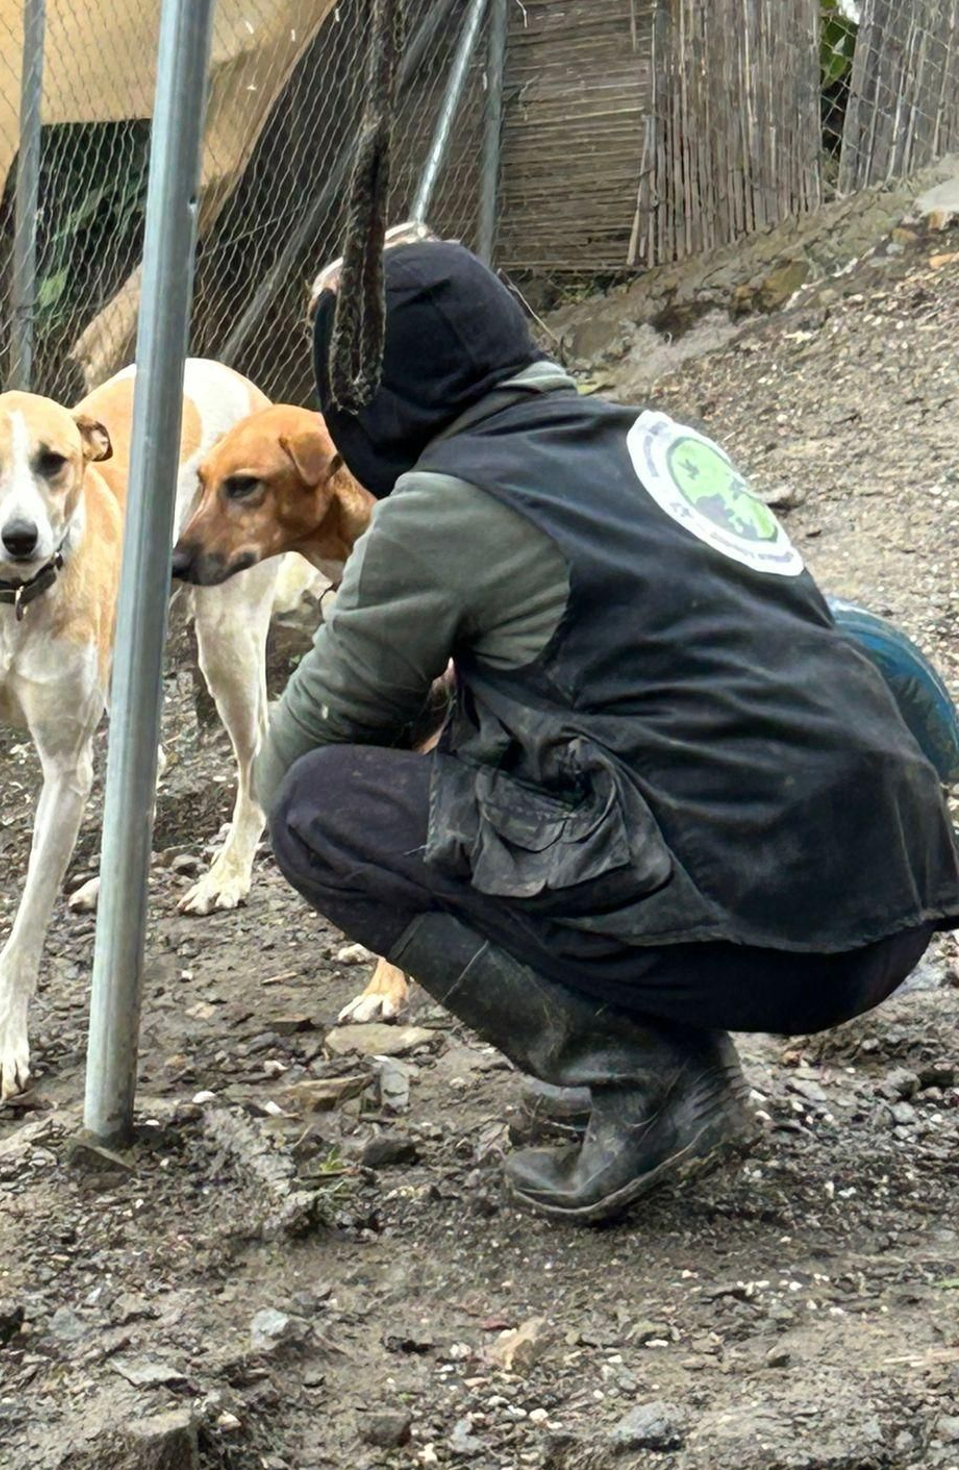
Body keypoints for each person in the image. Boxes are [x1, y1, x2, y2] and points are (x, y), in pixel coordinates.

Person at [261, 234, 959, 1224]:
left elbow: (295, 758)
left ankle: (645, 1081)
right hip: (891, 906)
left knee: (320, 810)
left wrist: (433, 678)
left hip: (770, 939)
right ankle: (639, 1046)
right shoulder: (657, 441)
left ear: (369, 393)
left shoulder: (444, 505)